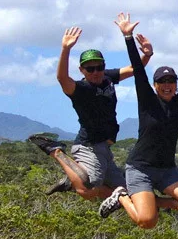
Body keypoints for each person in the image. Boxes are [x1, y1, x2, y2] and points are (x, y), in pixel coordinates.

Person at [99, 13, 178, 228]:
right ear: (155, 85)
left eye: (171, 80)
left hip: (167, 170)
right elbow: (138, 69)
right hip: (140, 168)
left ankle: (151, 201)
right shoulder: (147, 100)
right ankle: (122, 196)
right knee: (147, 221)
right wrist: (128, 37)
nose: (167, 84)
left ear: (176, 84)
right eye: (162, 81)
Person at [28, 25, 152, 208]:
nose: (95, 72)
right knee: (88, 190)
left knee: (129, 192)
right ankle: (56, 151)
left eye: (99, 67)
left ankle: (72, 181)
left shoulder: (107, 78)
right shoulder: (81, 89)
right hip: (88, 147)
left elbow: (134, 69)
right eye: (90, 69)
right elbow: (62, 79)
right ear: (82, 70)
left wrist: (147, 55)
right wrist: (65, 49)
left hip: (105, 150)